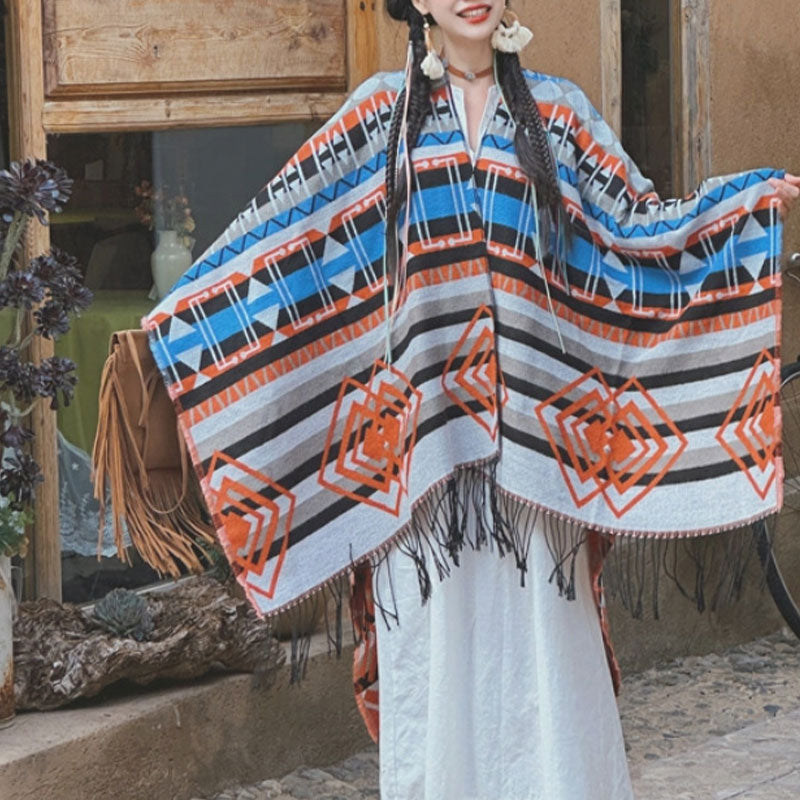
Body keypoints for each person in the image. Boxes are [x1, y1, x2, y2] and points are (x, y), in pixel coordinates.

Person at [141, 2, 799, 797]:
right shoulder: (376, 121)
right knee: (435, 670)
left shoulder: (558, 115)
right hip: (419, 472)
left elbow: (636, 233)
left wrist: (742, 212)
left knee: (550, 673)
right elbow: (284, 240)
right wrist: (181, 325)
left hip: (539, 465)